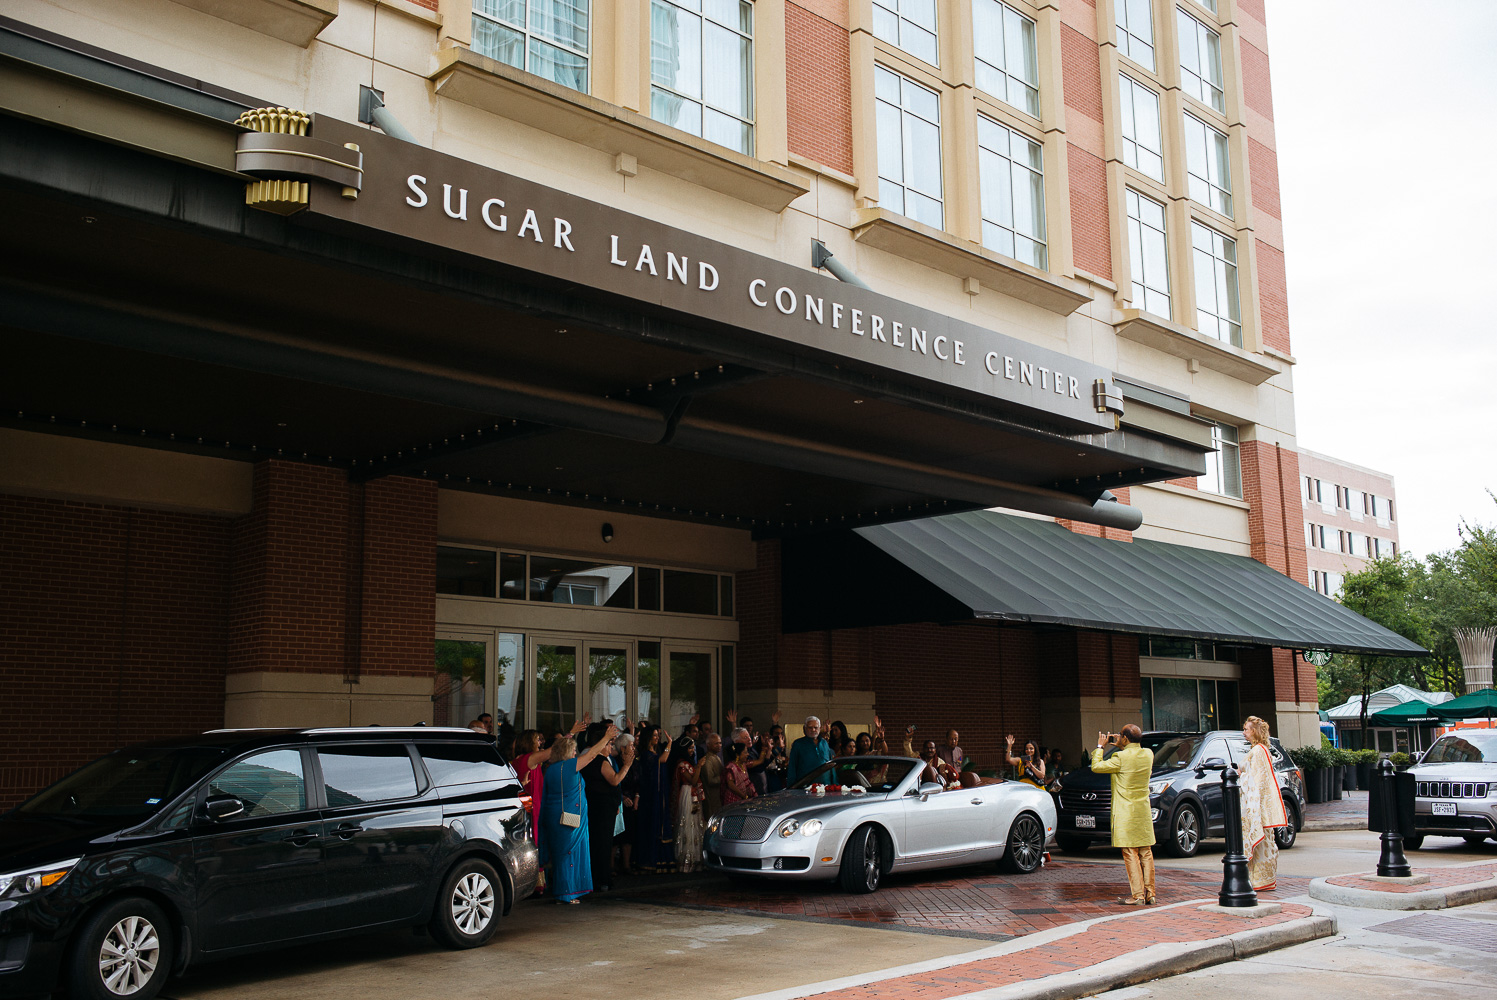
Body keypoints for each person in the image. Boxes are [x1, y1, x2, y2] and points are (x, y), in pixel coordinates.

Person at [540, 723, 619, 904]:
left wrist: (572, 733)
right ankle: (566, 894)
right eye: (574, 750)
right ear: (568, 752)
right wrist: (606, 738)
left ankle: (565, 892)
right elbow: (591, 755)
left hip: (554, 817)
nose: (576, 753)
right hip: (569, 819)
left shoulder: (550, 769)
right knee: (569, 856)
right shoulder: (568, 766)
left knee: (561, 856)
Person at [1090, 725, 1156, 905]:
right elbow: (1132, 756)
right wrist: (1122, 745)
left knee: (1129, 852)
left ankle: (1138, 896)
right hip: (1142, 809)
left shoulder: (1119, 757)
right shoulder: (1148, 754)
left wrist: (1100, 747)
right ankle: (1150, 893)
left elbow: (1096, 766)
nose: (1117, 737)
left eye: (1120, 736)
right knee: (1146, 851)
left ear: (1125, 738)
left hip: (1126, 811)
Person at [581, 721, 635, 892]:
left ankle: (599, 878)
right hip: (602, 808)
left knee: (599, 843)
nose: (611, 747)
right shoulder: (599, 761)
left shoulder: (595, 759)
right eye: (610, 743)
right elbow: (615, 779)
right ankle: (602, 879)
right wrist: (627, 765)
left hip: (600, 807)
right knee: (602, 844)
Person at [1237, 716, 1288, 891]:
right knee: (1265, 842)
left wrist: (1241, 775)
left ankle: (1260, 880)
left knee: (1261, 844)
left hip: (1256, 804)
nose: (1244, 732)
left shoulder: (1258, 751)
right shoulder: (1262, 749)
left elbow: (1256, 780)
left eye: (1247, 729)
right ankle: (1264, 879)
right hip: (1261, 804)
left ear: (1255, 731)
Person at [634, 724, 676, 872]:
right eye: (654, 735)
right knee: (653, 823)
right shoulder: (647, 755)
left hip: (660, 793)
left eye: (658, 735)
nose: (657, 738)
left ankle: (663, 859)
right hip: (650, 796)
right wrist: (670, 743)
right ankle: (650, 859)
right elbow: (663, 759)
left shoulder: (654, 753)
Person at [669, 737, 704, 872]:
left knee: (696, 824)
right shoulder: (682, 765)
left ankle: (696, 859)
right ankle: (686, 859)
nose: (692, 750)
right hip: (687, 794)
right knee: (688, 824)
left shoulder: (688, 763)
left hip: (693, 795)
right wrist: (699, 766)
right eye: (690, 748)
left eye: (693, 748)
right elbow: (693, 781)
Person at [615, 732, 640, 875]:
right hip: (619, 801)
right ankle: (611, 866)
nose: (633, 748)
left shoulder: (635, 763)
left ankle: (626, 865)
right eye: (630, 745)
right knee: (617, 836)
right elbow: (614, 782)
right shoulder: (616, 762)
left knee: (629, 835)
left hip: (632, 802)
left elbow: (639, 782)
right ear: (623, 748)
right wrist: (622, 797)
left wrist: (636, 797)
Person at [788, 716, 833, 784]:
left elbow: (831, 764)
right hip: (805, 787)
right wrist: (791, 787)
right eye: (810, 727)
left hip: (825, 786)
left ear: (820, 728)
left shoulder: (824, 743)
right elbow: (792, 767)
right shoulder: (798, 744)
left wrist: (835, 783)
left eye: (815, 727)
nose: (813, 730)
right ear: (804, 728)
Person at [698, 732, 725, 821]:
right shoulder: (708, 760)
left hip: (718, 796)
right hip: (712, 797)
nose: (719, 745)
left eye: (720, 743)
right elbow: (710, 780)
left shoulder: (716, 757)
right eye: (716, 743)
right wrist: (725, 778)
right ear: (708, 745)